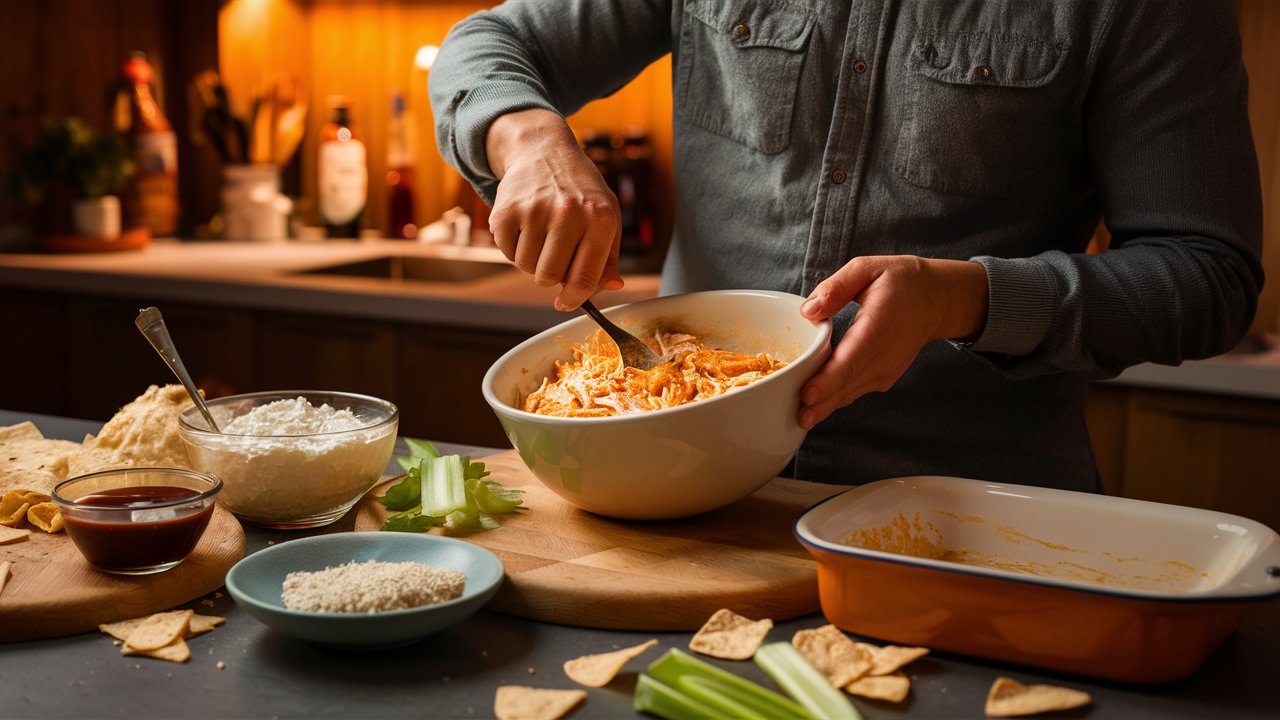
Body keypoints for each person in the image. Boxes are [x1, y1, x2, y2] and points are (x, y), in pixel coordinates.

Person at [428, 0, 1263, 491]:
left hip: (964, 511)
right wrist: (527, 135)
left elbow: (1206, 276)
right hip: (680, 489)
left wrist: (965, 299)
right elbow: (495, 41)